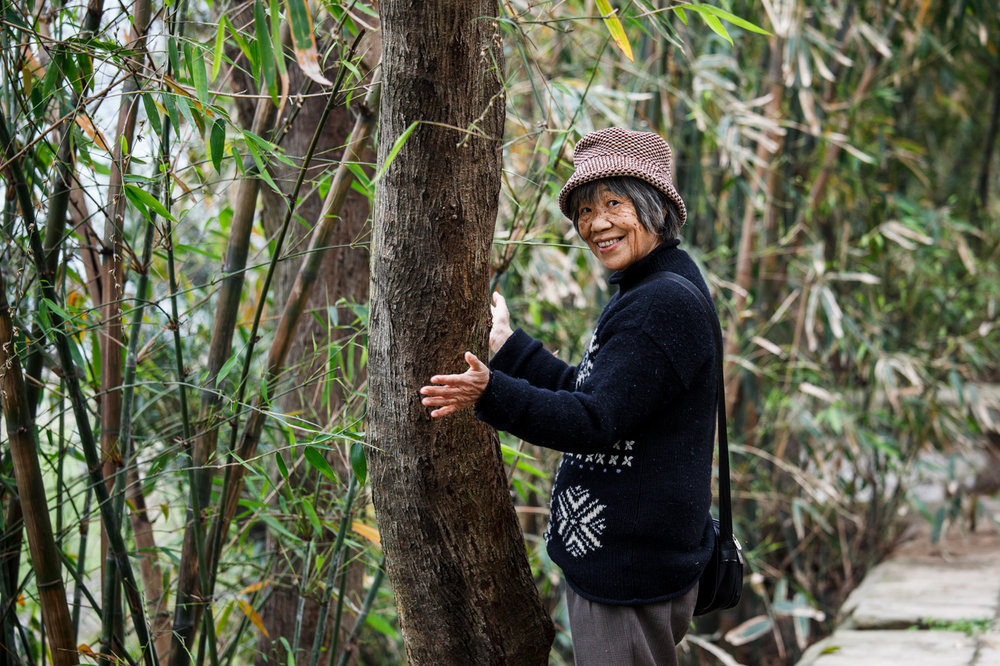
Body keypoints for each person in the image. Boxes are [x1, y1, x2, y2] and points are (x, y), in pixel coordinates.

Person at [419, 127, 717, 665]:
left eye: (613, 203)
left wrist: (490, 392)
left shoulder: (660, 304)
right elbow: (602, 395)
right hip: (629, 560)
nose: (595, 223)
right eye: (583, 210)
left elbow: (592, 420)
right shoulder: (657, 285)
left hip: (628, 571)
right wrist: (509, 350)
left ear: (655, 207)